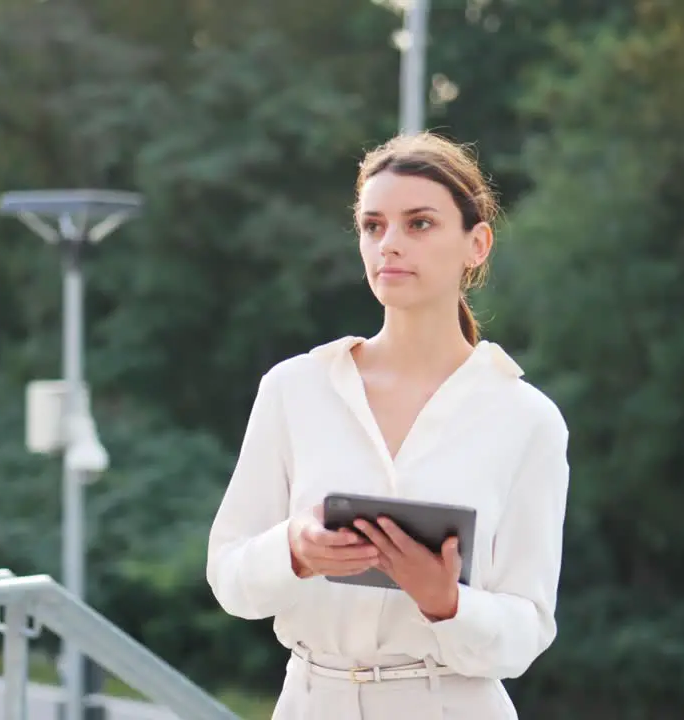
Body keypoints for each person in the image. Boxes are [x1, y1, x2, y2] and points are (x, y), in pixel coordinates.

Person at [205, 131, 570, 720]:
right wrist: (294, 550)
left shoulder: (527, 420)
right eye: (373, 226)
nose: (389, 244)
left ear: (476, 244)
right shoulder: (294, 389)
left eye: (418, 224)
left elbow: (528, 629)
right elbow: (228, 577)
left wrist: (446, 601)